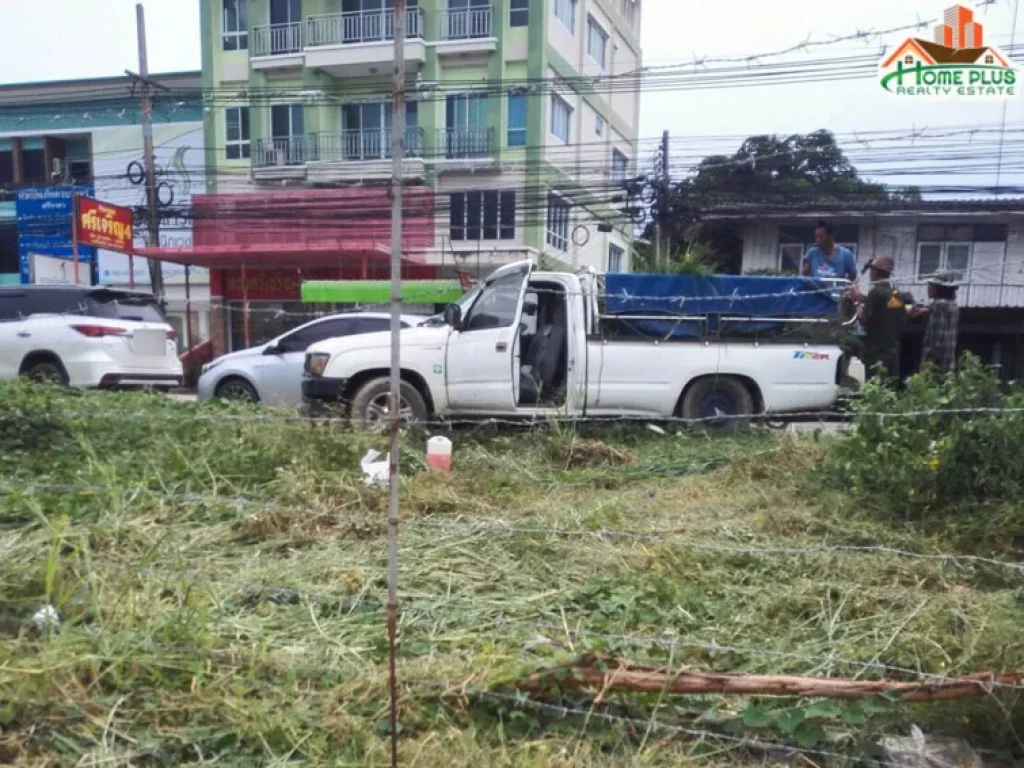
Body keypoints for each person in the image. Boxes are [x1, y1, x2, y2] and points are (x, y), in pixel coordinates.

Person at [849, 256, 910, 384]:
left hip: (875, 353)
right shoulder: (896, 293)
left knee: (874, 388)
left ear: (876, 272)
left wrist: (856, 304)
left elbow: (864, 321)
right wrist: (861, 298)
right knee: (890, 389)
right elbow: (885, 307)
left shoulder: (875, 293)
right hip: (892, 352)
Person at [912, 272, 960, 373]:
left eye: (931, 286)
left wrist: (928, 363)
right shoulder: (953, 305)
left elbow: (937, 338)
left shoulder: (938, 305)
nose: (928, 288)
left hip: (936, 364)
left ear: (940, 288)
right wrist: (928, 310)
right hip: (948, 360)